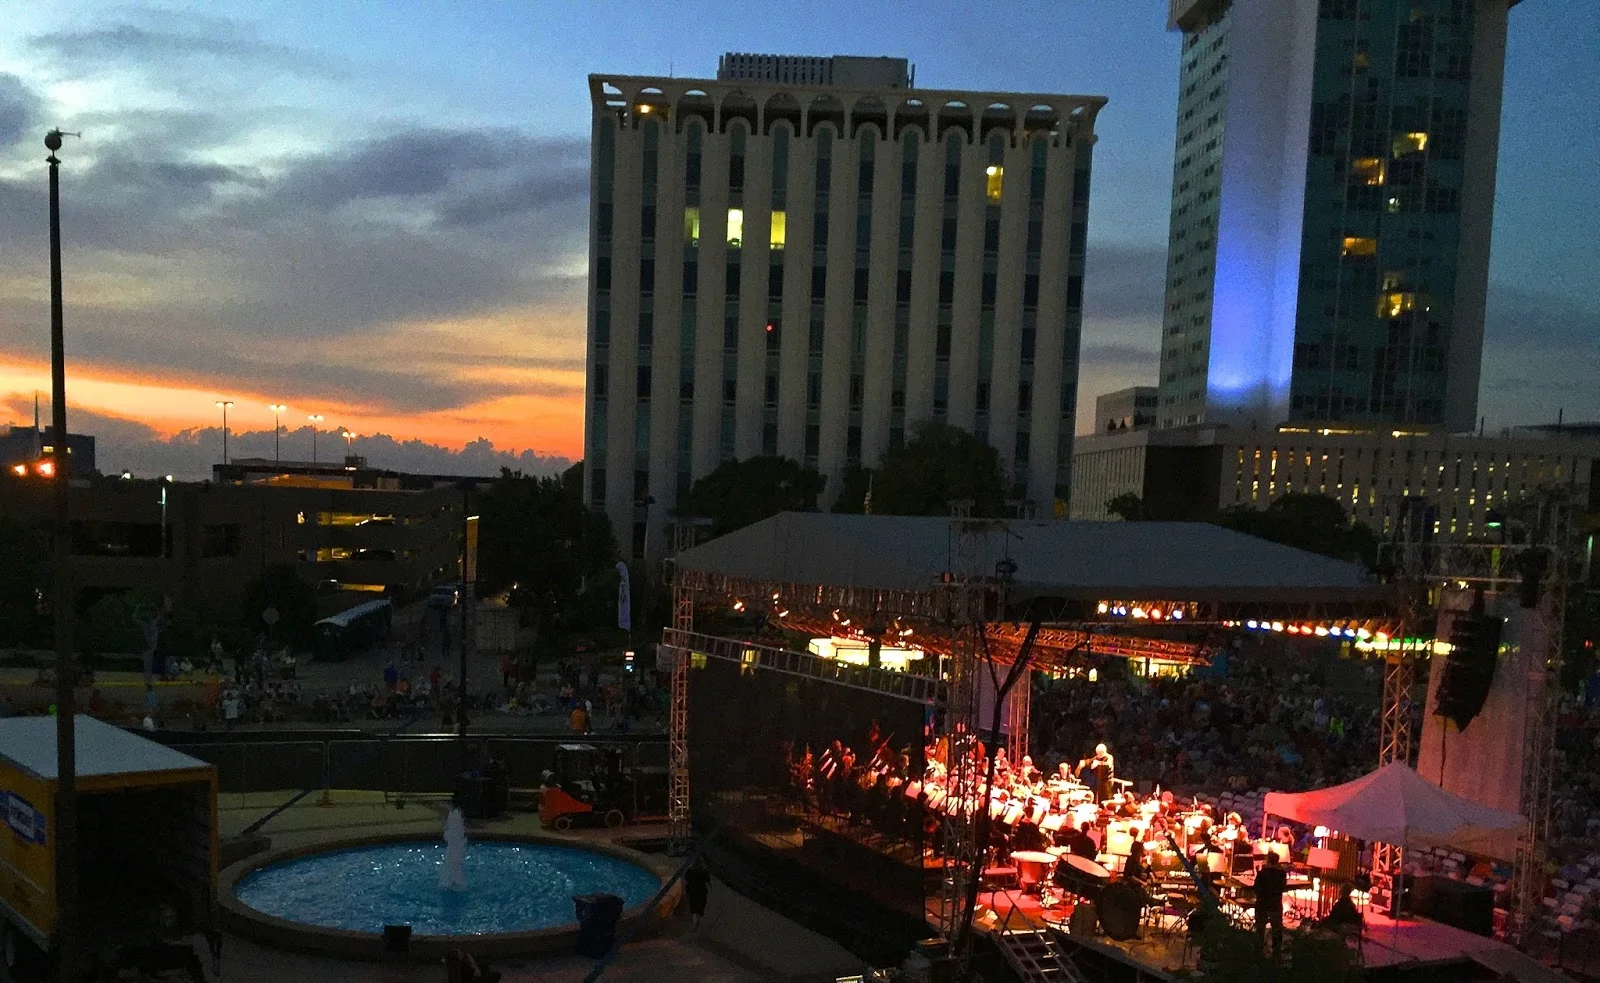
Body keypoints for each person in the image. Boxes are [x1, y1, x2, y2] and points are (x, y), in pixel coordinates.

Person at [1253, 850, 1288, 957]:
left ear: (1267, 860)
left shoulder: (1262, 873)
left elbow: (1256, 888)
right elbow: (1283, 887)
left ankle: (1259, 951)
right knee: (1277, 929)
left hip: (1262, 904)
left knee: (1260, 929)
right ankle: (1276, 953)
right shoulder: (1281, 874)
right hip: (1275, 904)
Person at [685, 856, 711, 931]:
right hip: (701, 890)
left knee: (693, 907)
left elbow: (686, 879)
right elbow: (708, 880)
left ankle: (694, 922)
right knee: (700, 907)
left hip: (692, 890)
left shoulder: (690, 870)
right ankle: (698, 921)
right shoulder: (705, 871)